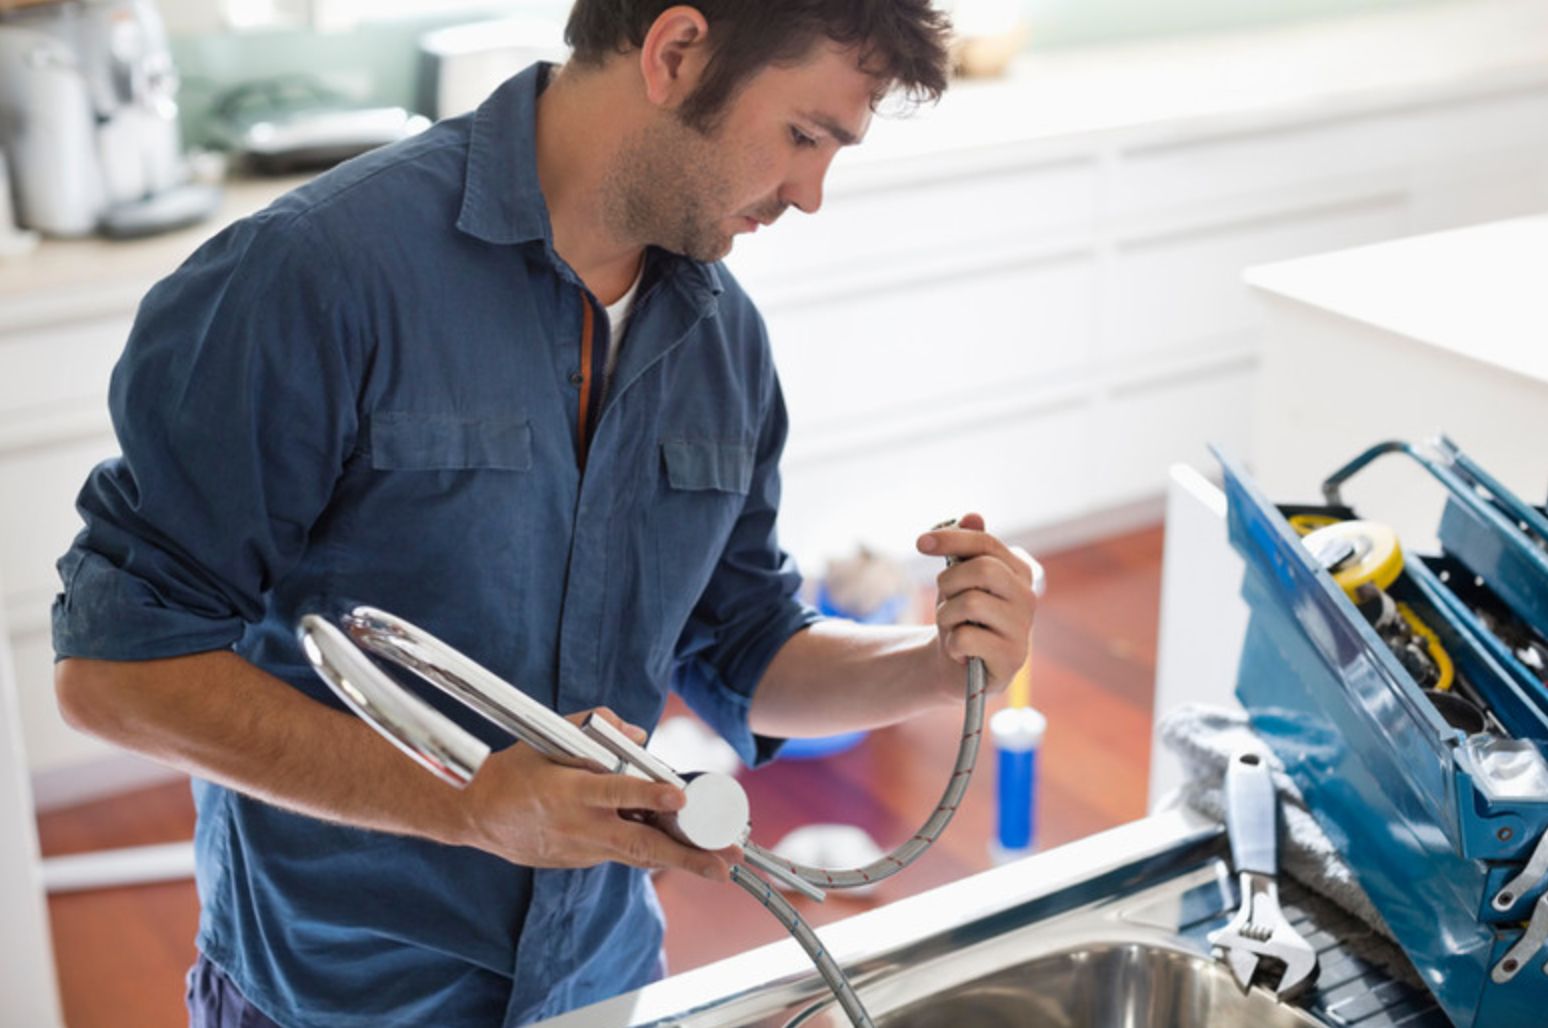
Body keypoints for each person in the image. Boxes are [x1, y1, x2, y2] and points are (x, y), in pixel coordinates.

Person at [51, 2, 1039, 1025]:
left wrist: (933, 661)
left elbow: (746, 646)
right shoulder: (313, 276)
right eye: (803, 135)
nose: (811, 193)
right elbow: (115, 670)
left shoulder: (722, 344)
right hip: (333, 995)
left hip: (602, 979)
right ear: (676, 52)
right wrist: (468, 803)